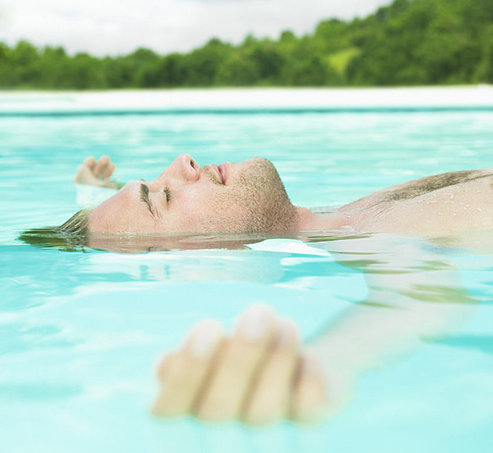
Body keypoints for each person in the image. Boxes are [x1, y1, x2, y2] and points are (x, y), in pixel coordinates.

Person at [24, 154, 484, 425]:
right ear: (198, 256)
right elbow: (421, 303)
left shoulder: (353, 215)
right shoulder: (377, 241)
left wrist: (91, 195)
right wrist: (312, 371)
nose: (182, 163)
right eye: (163, 195)